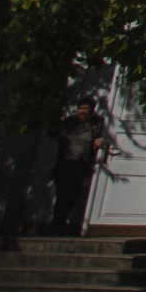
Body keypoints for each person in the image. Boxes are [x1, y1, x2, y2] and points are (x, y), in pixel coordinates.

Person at [49, 96, 108, 236]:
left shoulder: (97, 123)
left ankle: (63, 224)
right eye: (80, 108)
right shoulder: (69, 122)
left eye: (85, 108)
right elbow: (52, 133)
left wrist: (99, 141)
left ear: (91, 110)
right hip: (65, 163)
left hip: (82, 164)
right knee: (62, 195)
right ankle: (57, 226)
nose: (82, 111)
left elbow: (99, 137)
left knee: (73, 195)